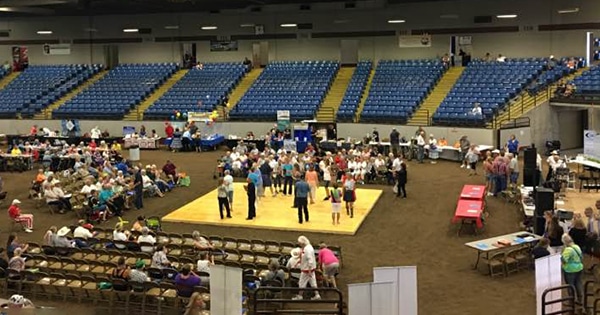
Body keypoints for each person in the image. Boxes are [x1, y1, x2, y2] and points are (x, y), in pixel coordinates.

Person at [292, 236, 321, 300]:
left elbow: (310, 260)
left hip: (307, 270)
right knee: (313, 282)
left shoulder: (307, 249)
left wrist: (309, 271)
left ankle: (300, 296)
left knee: (302, 283)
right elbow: (305, 259)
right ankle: (317, 295)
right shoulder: (308, 247)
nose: (298, 244)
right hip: (310, 269)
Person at [561, 234, 584, 303]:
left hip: (570, 270)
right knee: (578, 283)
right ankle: (580, 300)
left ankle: (571, 301)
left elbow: (564, 260)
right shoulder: (576, 246)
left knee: (570, 285)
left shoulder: (568, 250)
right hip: (579, 267)